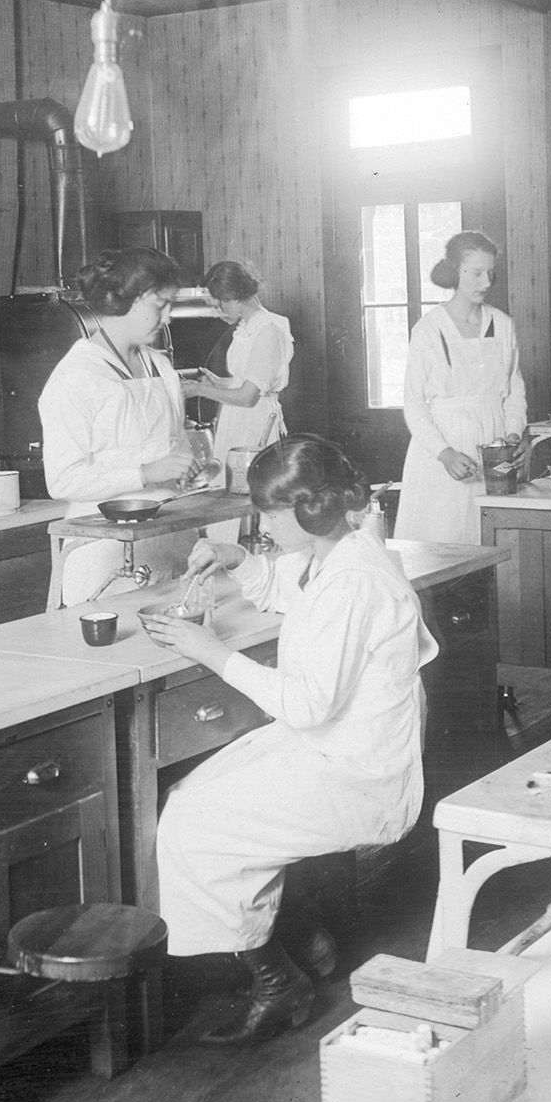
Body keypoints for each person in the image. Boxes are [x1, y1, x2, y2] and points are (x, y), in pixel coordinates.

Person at [142, 437, 439, 1045]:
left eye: (272, 514)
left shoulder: (354, 581)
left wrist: (210, 653)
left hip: (361, 773)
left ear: (311, 510)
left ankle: (277, 979)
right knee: (187, 793)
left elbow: (305, 704)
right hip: (339, 745)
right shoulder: (340, 552)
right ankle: (302, 937)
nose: (264, 525)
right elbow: (285, 589)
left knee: (194, 821)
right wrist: (235, 557)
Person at [38, 247, 201, 608]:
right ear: (123, 300)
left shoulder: (161, 367)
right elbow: (62, 480)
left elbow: (176, 444)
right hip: (105, 552)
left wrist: (186, 469)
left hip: (171, 538)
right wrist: (145, 473)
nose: (168, 317)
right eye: (160, 305)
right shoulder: (77, 376)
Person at [394, 230, 527, 545]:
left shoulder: (502, 324)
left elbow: (514, 393)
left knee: (492, 540)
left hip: (494, 449)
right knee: (444, 541)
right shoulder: (429, 329)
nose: (486, 282)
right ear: (456, 271)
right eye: (476, 273)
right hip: (445, 450)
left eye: (490, 273)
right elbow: (414, 404)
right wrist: (445, 454)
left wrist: (512, 437)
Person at [187, 259, 293, 464]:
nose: (218, 313)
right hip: (238, 418)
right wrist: (220, 383)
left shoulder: (268, 330)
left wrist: (198, 390)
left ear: (233, 297)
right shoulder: (247, 327)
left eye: (219, 306)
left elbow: (248, 397)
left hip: (253, 421)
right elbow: (252, 381)